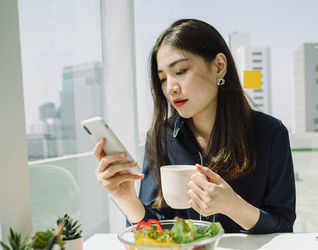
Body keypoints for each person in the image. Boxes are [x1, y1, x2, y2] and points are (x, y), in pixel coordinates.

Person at [94, 19, 296, 234]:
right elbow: (156, 231)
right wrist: (127, 200)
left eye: (180, 71)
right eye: (162, 79)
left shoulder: (270, 133)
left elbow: (282, 225)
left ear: (219, 66)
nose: (170, 88)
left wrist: (233, 206)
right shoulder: (161, 136)